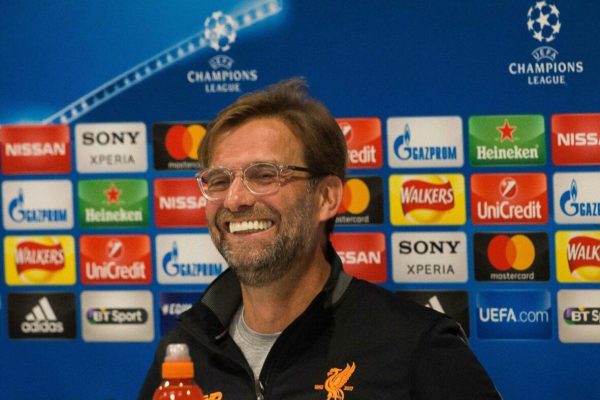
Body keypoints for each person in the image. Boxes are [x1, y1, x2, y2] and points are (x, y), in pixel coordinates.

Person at [138, 78, 501, 399]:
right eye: (219, 180)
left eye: (264, 175)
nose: (234, 199)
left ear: (327, 197)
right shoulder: (183, 352)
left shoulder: (415, 348)